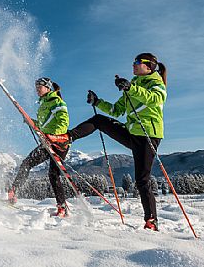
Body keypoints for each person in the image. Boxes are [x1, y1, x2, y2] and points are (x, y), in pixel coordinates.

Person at [67, 53, 167, 231]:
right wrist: (97, 102)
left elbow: (156, 99)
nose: (133, 65)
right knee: (100, 121)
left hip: (148, 136)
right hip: (131, 133)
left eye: (137, 62)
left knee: (142, 180)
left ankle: (151, 220)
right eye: (133, 62)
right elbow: (116, 110)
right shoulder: (134, 85)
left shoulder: (156, 83)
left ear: (149, 66)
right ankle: (67, 137)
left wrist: (130, 88)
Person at [8, 77, 71, 217]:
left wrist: (53, 136)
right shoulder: (42, 104)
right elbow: (43, 125)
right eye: (36, 86)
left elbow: (63, 122)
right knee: (27, 163)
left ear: (48, 87)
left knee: (53, 174)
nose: (37, 89)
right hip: (46, 142)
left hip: (59, 143)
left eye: (40, 86)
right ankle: (13, 191)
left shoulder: (57, 102)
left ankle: (62, 207)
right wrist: (31, 121)